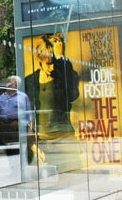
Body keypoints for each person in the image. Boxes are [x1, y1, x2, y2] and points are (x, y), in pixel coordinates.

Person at [23, 32, 81, 172]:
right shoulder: (31, 80)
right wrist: (32, 143)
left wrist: (61, 59)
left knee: (73, 175)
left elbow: (73, 95)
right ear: (39, 60)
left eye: (54, 62)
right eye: (48, 63)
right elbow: (27, 114)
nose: (52, 67)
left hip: (64, 138)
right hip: (43, 142)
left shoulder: (62, 73)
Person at [0, 76, 32, 158]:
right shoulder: (2, 97)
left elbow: (28, 112)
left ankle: (20, 161)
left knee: (17, 148)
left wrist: (29, 127)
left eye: (11, 83)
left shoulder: (22, 96)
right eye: (8, 82)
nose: (9, 84)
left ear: (16, 85)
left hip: (17, 125)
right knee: (8, 148)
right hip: (4, 126)